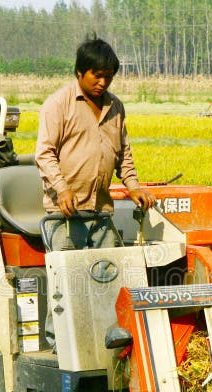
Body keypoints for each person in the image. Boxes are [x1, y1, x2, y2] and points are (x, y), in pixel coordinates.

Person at [35, 36, 156, 251]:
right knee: (69, 279)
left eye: (108, 77)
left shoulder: (115, 106)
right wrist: (62, 189)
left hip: (101, 212)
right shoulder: (58, 104)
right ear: (80, 72)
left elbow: (123, 154)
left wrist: (134, 188)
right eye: (97, 76)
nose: (103, 83)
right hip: (65, 213)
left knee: (107, 276)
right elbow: (44, 154)